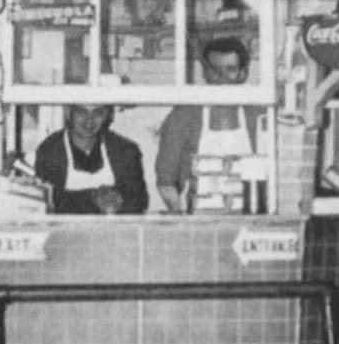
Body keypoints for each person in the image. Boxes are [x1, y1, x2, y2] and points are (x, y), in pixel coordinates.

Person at [155, 37, 263, 213]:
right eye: (214, 70)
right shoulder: (184, 115)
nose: (221, 78)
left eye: (230, 70)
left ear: (243, 73)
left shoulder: (257, 117)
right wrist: (180, 215)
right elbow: (166, 180)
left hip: (250, 217)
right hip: (198, 220)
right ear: (204, 73)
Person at [34, 105, 149, 215]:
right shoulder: (50, 151)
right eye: (81, 112)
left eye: (97, 113)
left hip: (115, 231)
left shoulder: (125, 150)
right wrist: (94, 198)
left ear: (108, 115)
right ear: (68, 112)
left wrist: (118, 200)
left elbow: (138, 201)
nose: (89, 120)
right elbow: (48, 203)